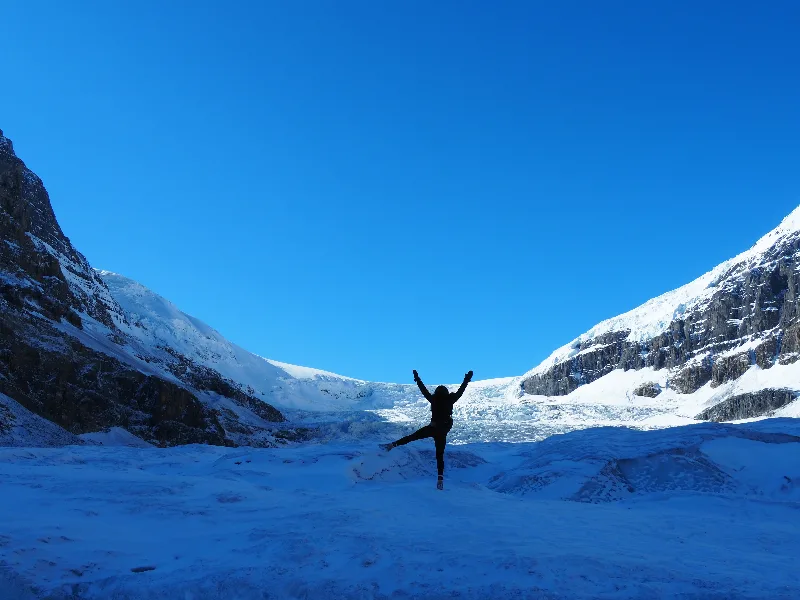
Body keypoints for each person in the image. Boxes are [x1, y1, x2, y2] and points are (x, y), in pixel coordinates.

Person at [381, 369, 473, 490]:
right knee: (439, 455)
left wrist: (417, 378)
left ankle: (392, 445)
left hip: (432, 427)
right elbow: (461, 390)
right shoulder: (451, 399)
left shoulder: (433, 399)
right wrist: (467, 379)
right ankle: (440, 479)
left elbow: (423, 389)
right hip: (442, 431)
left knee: (412, 437)